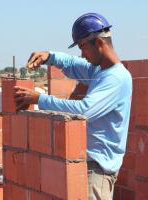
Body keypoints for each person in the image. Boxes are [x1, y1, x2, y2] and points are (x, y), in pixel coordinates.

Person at [14, 12, 132, 200]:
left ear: (99, 43)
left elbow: (84, 110)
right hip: (90, 166)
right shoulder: (100, 71)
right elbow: (72, 63)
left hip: (98, 171)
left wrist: (39, 99)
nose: (82, 54)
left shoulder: (116, 78)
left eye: (82, 47)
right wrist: (49, 56)